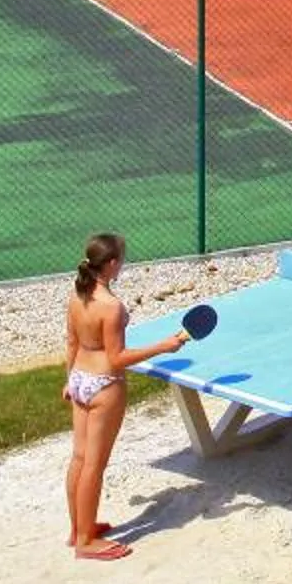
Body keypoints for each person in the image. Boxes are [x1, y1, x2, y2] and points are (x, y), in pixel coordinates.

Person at [63, 232, 191, 560]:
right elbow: (117, 357)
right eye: (123, 258)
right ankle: (86, 544)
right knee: (94, 463)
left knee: (79, 458)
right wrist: (164, 346)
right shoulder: (112, 307)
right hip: (104, 384)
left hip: (79, 379)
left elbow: (72, 343)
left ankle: (80, 528)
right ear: (112, 264)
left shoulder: (77, 296)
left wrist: (69, 381)